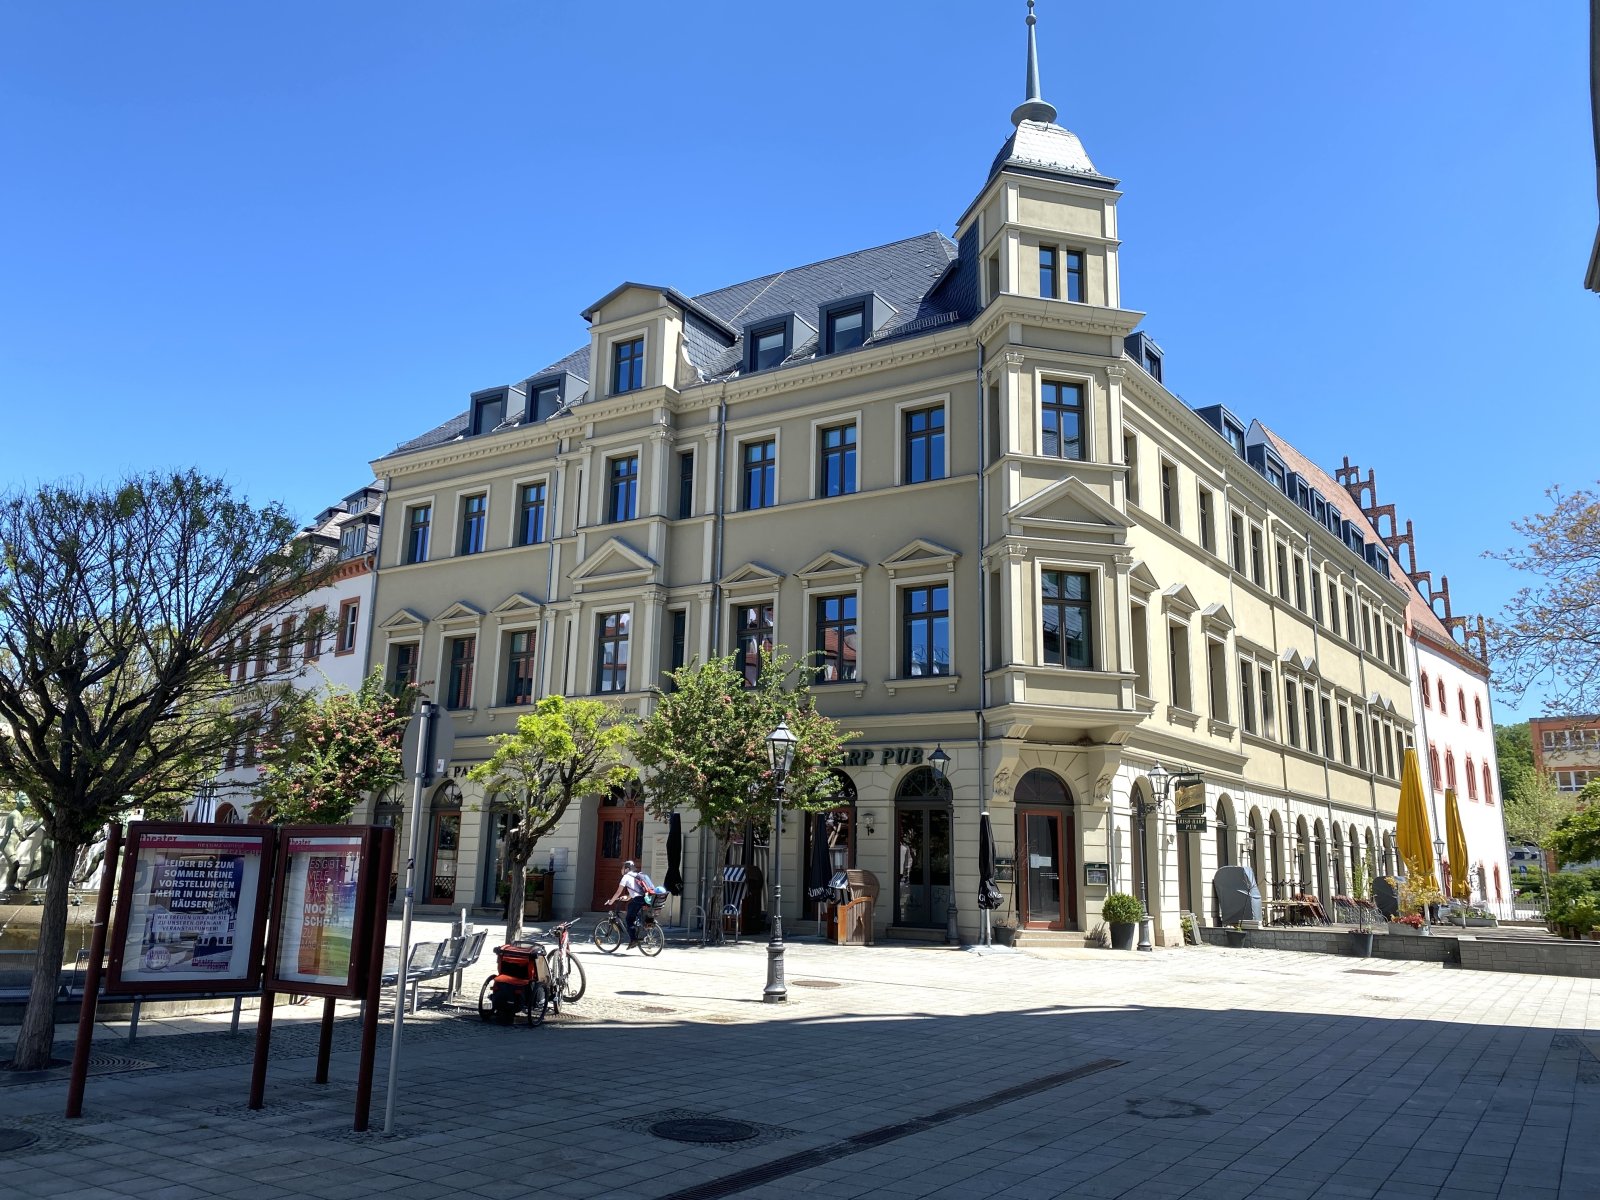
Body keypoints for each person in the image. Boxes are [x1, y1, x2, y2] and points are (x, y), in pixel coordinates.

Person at [607, 859, 657, 948]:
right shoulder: (637, 875)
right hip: (646, 898)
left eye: (622, 868)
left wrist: (611, 901)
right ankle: (639, 930)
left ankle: (633, 940)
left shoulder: (625, 877)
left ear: (626, 869)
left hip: (638, 899)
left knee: (629, 919)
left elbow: (618, 892)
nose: (621, 870)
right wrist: (627, 898)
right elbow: (636, 890)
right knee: (634, 912)